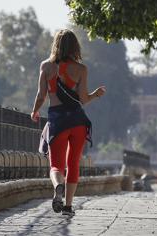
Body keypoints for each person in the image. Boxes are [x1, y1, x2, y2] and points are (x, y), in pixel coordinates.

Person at [31, 29, 106, 216]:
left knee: (56, 165)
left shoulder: (46, 67)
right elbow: (83, 100)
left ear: (55, 44)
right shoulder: (81, 69)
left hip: (58, 120)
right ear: (75, 46)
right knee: (73, 163)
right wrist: (95, 95)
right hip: (78, 121)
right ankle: (68, 206)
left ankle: (58, 186)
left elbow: (41, 95)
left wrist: (34, 110)